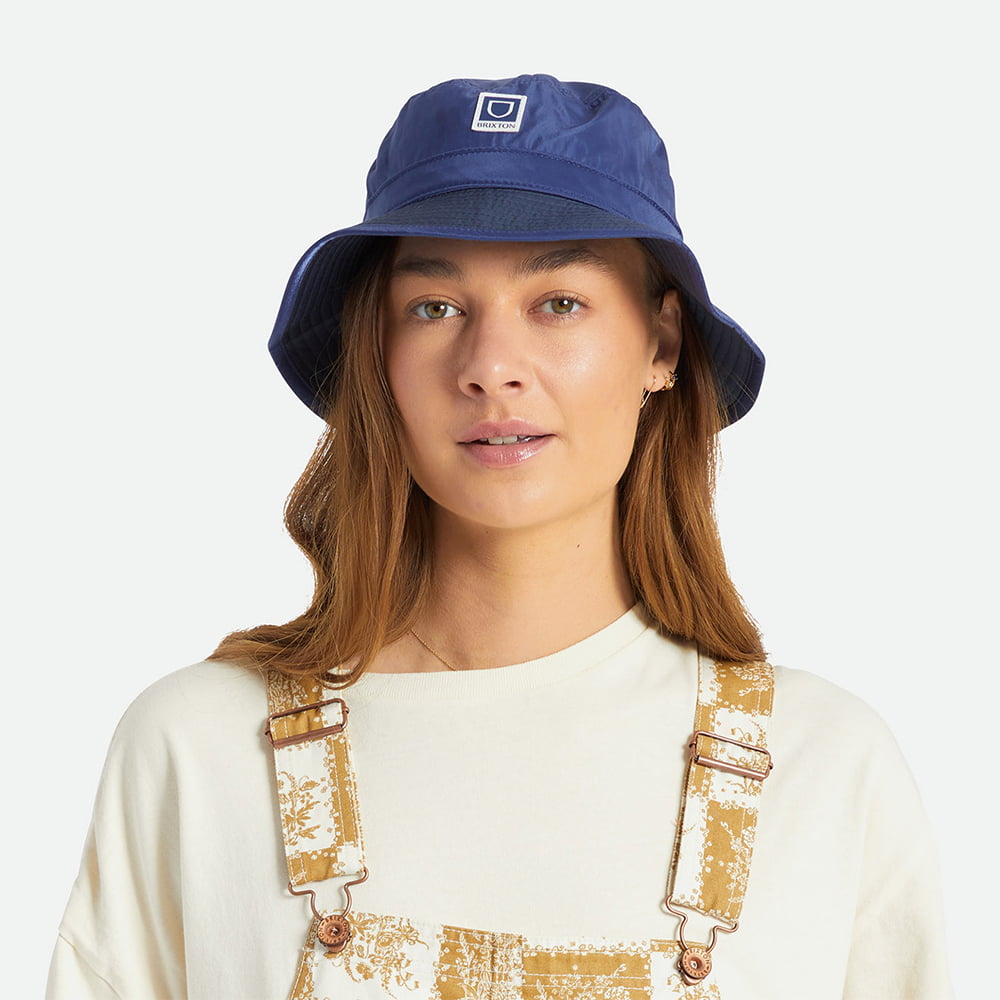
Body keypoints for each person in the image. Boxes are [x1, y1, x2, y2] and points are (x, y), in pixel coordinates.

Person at [46, 74, 952, 1000]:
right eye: (434, 307)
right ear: (377, 355)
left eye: (558, 302)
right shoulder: (198, 752)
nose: (490, 368)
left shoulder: (825, 769)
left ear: (662, 344)